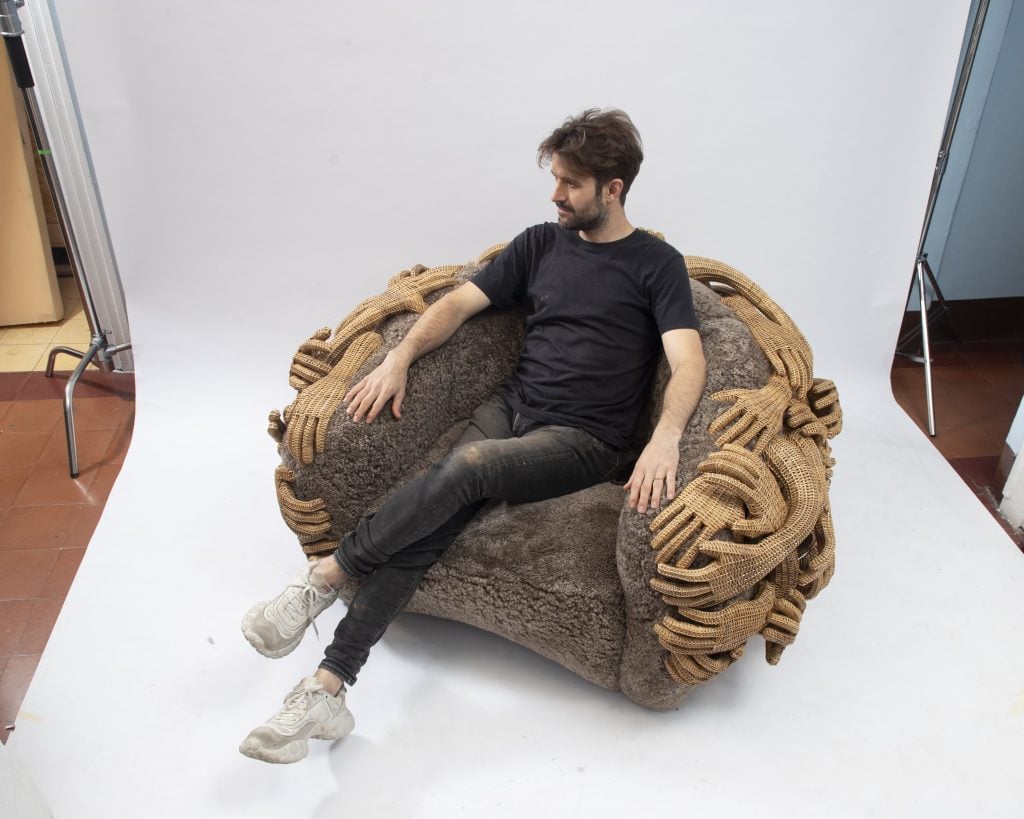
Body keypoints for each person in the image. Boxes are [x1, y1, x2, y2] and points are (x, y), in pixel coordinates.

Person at [239, 108, 706, 764]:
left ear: (614, 188)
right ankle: (327, 687)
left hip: (582, 440)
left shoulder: (656, 264)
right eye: (556, 180)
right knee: (433, 524)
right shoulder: (541, 244)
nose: (556, 194)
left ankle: (328, 574)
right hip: (511, 407)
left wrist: (667, 436)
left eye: (571, 183)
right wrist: (398, 359)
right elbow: (458, 303)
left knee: (469, 466)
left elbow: (689, 360)